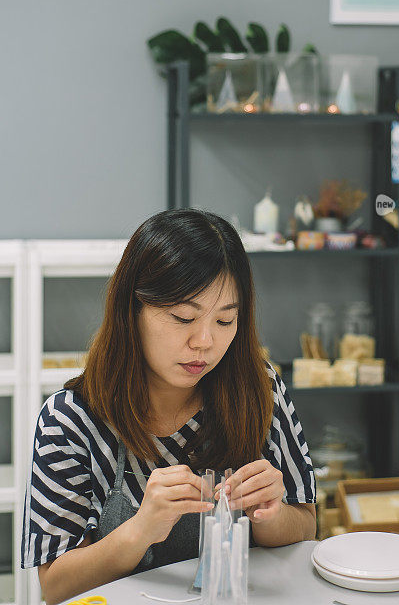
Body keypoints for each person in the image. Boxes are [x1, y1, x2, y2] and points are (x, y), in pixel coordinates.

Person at [21, 209, 316, 605]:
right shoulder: (70, 420)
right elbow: (56, 585)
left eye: (226, 321)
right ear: (133, 310)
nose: (204, 342)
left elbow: (307, 525)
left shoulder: (260, 389)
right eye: (183, 317)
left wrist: (273, 515)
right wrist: (141, 528)